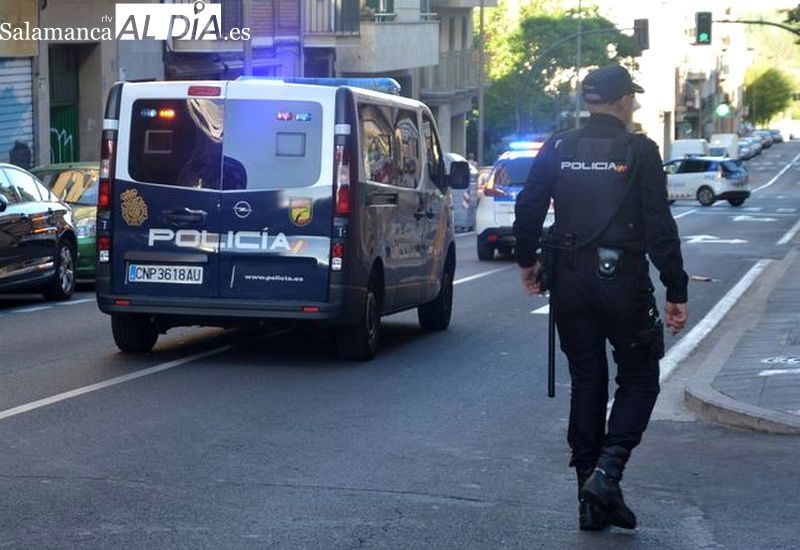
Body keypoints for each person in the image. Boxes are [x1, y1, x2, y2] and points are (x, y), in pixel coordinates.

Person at [513, 64, 689, 531]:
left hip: (568, 281)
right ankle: (607, 472)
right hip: (622, 282)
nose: (633, 103)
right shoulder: (640, 151)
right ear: (622, 101)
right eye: (631, 96)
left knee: (587, 381)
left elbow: (529, 204)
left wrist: (527, 260)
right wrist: (676, 287)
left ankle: (590, 500)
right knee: (640, 378)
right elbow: (659, 227)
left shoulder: (558, 146)